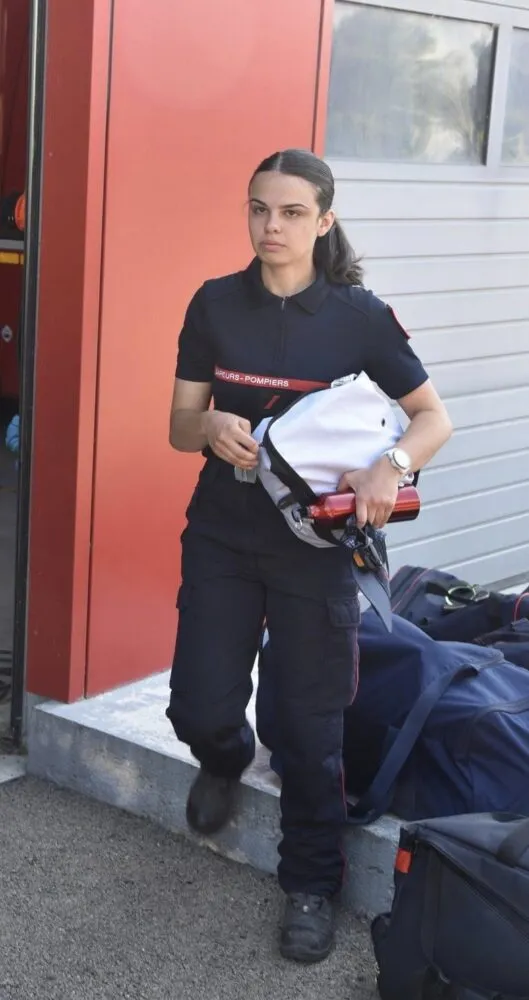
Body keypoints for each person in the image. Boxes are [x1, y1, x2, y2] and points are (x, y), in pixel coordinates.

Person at [167, 149, 452, 963]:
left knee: (308, 726)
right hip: (222, 532)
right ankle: (223, 756)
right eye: (259, 208)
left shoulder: (359, 316)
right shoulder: (214, 303)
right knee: (198, 706)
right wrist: (208, 427)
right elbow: (179, 426)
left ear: (323, 221)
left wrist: (388, 467)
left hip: (317, 547)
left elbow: (431, 418)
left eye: (291, 213)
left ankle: (310, 884)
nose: (271, 226)